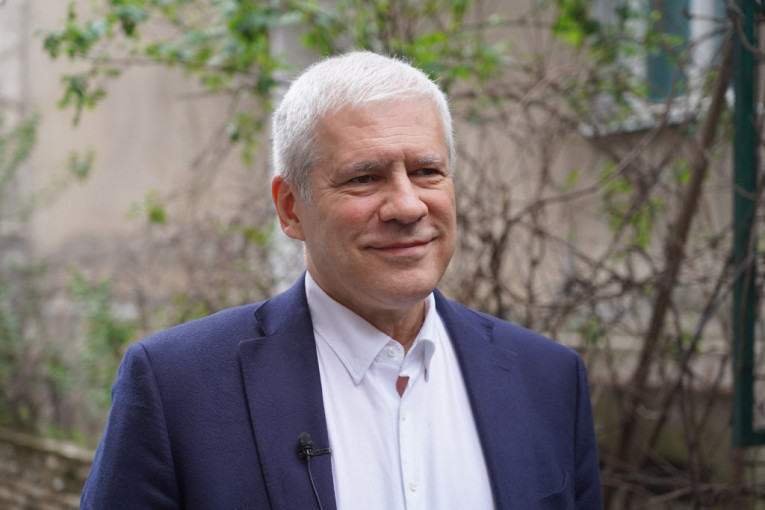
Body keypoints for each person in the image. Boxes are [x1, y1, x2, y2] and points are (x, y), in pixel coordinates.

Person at [80, 51, 603, 510]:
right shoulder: (179, 388)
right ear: (291, 209)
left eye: (426, 171)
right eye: (364, 178)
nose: (407, 206)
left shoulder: (549, 379)